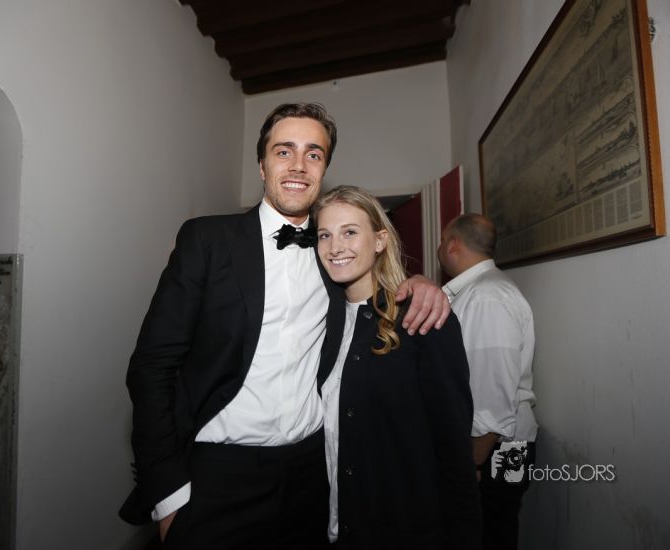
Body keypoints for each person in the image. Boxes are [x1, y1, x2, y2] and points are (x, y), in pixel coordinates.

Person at [119, 103, 451, 549]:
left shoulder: (333, 252)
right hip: (219, 479)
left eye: (313, 154)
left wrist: (422, 285)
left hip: (313, 478)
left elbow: (373, 289)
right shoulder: (208, 240)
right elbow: (152, 368)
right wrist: (168, 495)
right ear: (262, 166)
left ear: (324, 168)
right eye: (283, 151)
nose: (298, 165)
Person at [313, 186, 481, 549]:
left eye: (350, 232)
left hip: (400, 530)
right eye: (324, 235)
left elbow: (453, 448)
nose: (335, 247)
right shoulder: (316, 321)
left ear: (380, 240)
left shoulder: (422, 319)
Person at [437, 213, 537, 550]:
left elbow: (492, 394)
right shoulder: (479, 291)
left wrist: (473, 461)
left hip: (498, 447)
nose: (440, 247)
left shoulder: (487, 297)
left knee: (489, 534)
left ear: (453, 245)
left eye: (442, 240)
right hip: (494, 444)